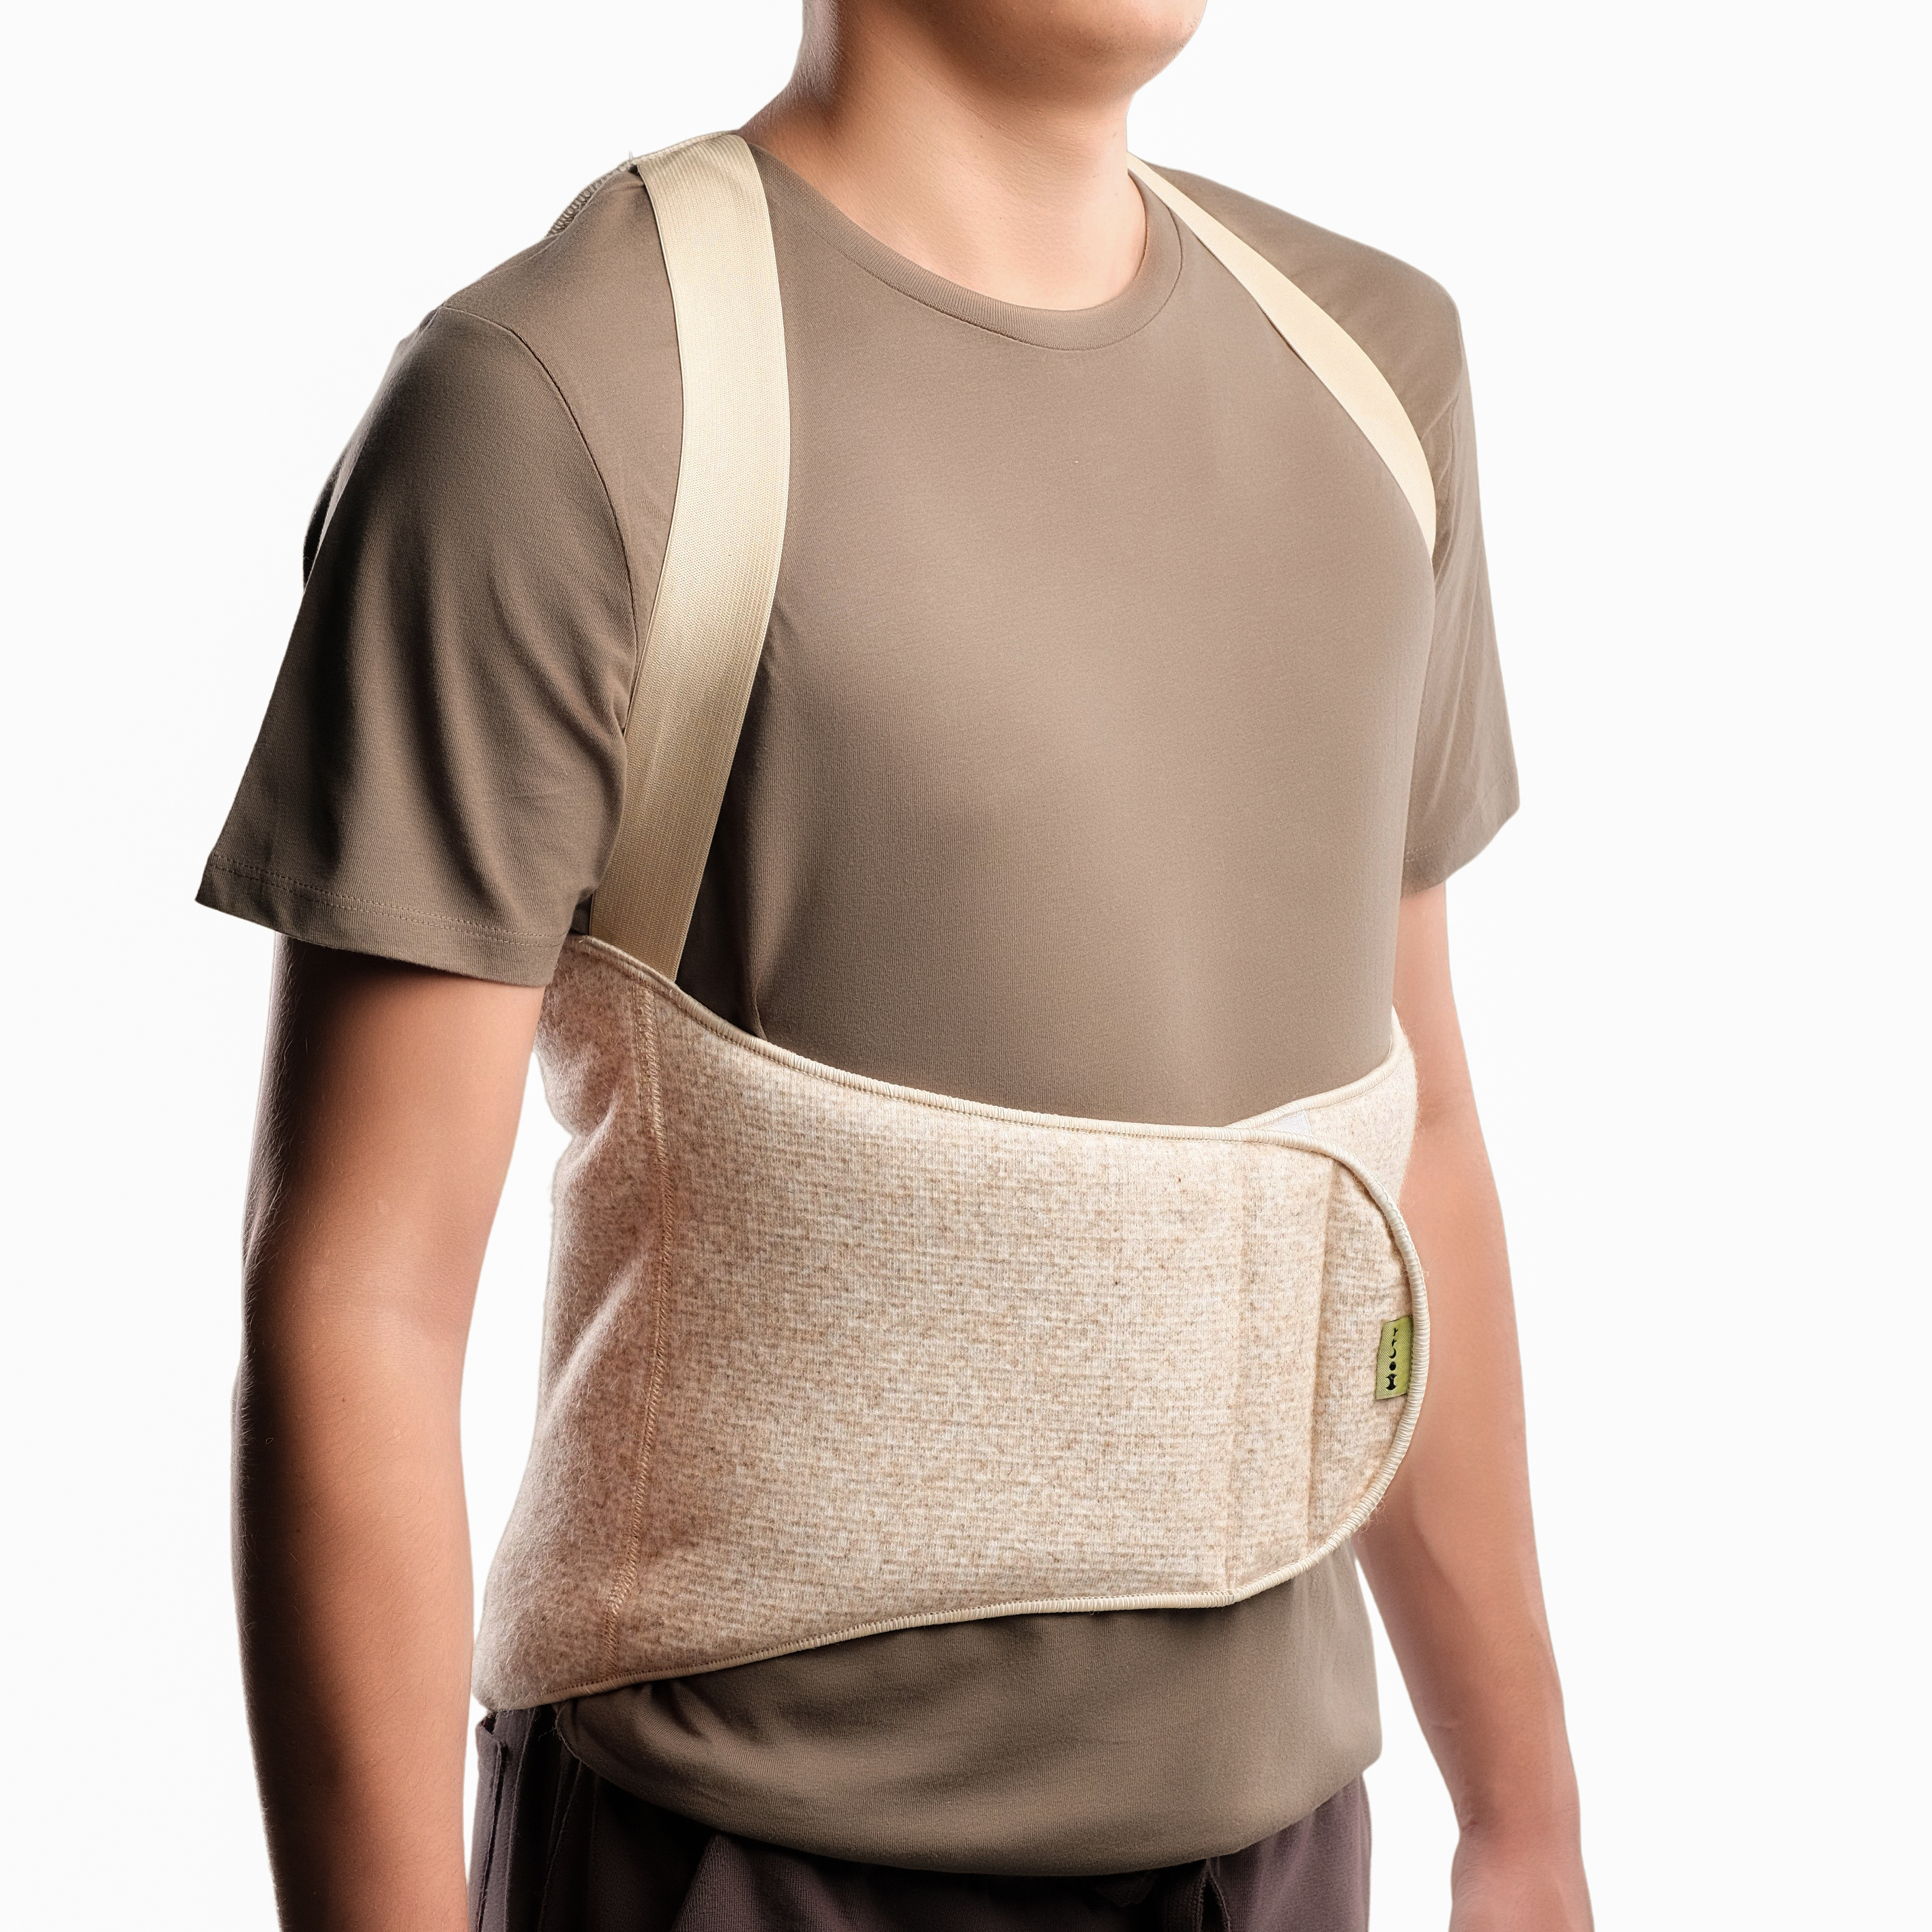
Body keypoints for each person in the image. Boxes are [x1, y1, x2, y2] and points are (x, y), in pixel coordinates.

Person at [201, 1, 1592, 1927]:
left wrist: (1524, 1816)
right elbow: (357, 1296)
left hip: (1282, 1851)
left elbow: (1407, 1138)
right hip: (729, 1852)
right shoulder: (558, 394)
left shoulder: (1378, 373)